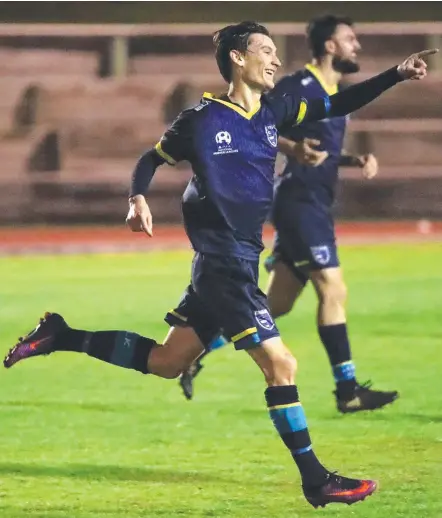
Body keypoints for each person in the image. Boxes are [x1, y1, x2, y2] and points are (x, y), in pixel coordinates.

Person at [3, 21, 435, 509]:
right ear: (237, 58)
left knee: (168, 363)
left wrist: (396, 75)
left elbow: (337, 104)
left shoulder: (275, 110)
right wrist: (137, 198)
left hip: (237, 263)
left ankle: (61, 335)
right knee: (282, 364)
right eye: (266, 51)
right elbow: (151, 158)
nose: (276, 60)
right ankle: (316, 479)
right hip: (223, 265)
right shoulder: (203, 119)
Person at [179, 15, 400, 414]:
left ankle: (194, 353)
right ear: (329, 46)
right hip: (298, 202)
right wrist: (292, 149)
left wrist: (350, 158)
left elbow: (318, 146)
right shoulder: (298, 86)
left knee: (273, 306)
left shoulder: (334, 90)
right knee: (333, 289)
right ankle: (347, 388)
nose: (357, 46)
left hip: (315, 202)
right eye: (350, 39)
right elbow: (260, 124)